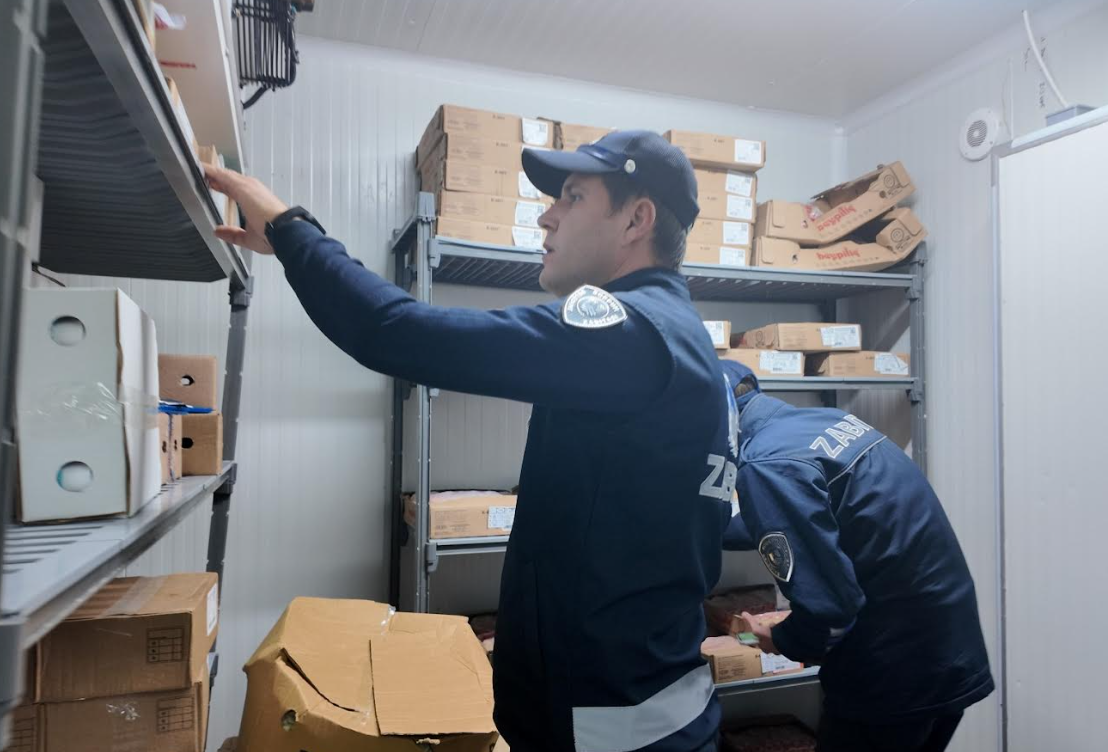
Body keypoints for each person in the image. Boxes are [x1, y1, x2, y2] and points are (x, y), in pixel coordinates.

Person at [206, 130, 741, 752]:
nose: (547, 216)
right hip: (637, 711)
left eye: (572, 197)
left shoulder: (631, 333)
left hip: (615, 733)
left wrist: (290, 228)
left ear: (636, 220)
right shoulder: (678, 338)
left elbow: (394, 331)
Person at [717, 359, 994, 752]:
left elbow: (830, 610)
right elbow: (799, 518)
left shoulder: (766, 462)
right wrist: (703, 529)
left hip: (889, 675)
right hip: (947, 649)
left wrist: (782, 638)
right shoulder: (824, 422)